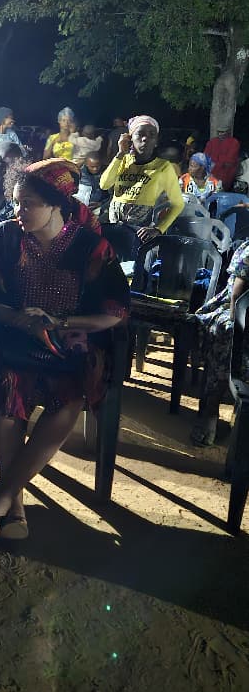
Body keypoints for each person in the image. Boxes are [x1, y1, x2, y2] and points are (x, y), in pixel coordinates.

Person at [0, 159, 129, 540]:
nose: (19, 211)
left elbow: (115, 312)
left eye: (28, 204)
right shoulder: (7, 237)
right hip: (18, 339)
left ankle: (3, 495)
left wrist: (59, 323)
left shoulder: (91, 247)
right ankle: (14, 507)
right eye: (16, 202)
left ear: (57, 205)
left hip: (71, 341)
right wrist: (22, 321)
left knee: (70, 397)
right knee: (8, 388)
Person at [191, 240, 249, 446]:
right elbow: (237, 297)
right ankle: (211, 415)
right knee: (230, 336)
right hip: (236, 311)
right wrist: (240, 326)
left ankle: (241, 420)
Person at [99, 115, 184, 241]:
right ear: (130, 138)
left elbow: (178, 204)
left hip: (140, 234)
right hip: (114, 227)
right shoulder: (122, 160)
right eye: (139, 134)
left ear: (156, 141)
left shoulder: (163, 167)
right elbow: (104, 185)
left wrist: (158, 229)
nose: (145, 138)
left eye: (151, 135)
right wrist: (120, 153)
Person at [205, 126, 241, 191]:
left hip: (226, 174)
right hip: (210, 172)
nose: (220, 134)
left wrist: (215, 164)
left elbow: (229, 162)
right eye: (218, 132)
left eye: (222, 132)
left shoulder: (234, 142)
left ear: (228, 132)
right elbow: (205, 156)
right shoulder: (212, 142)